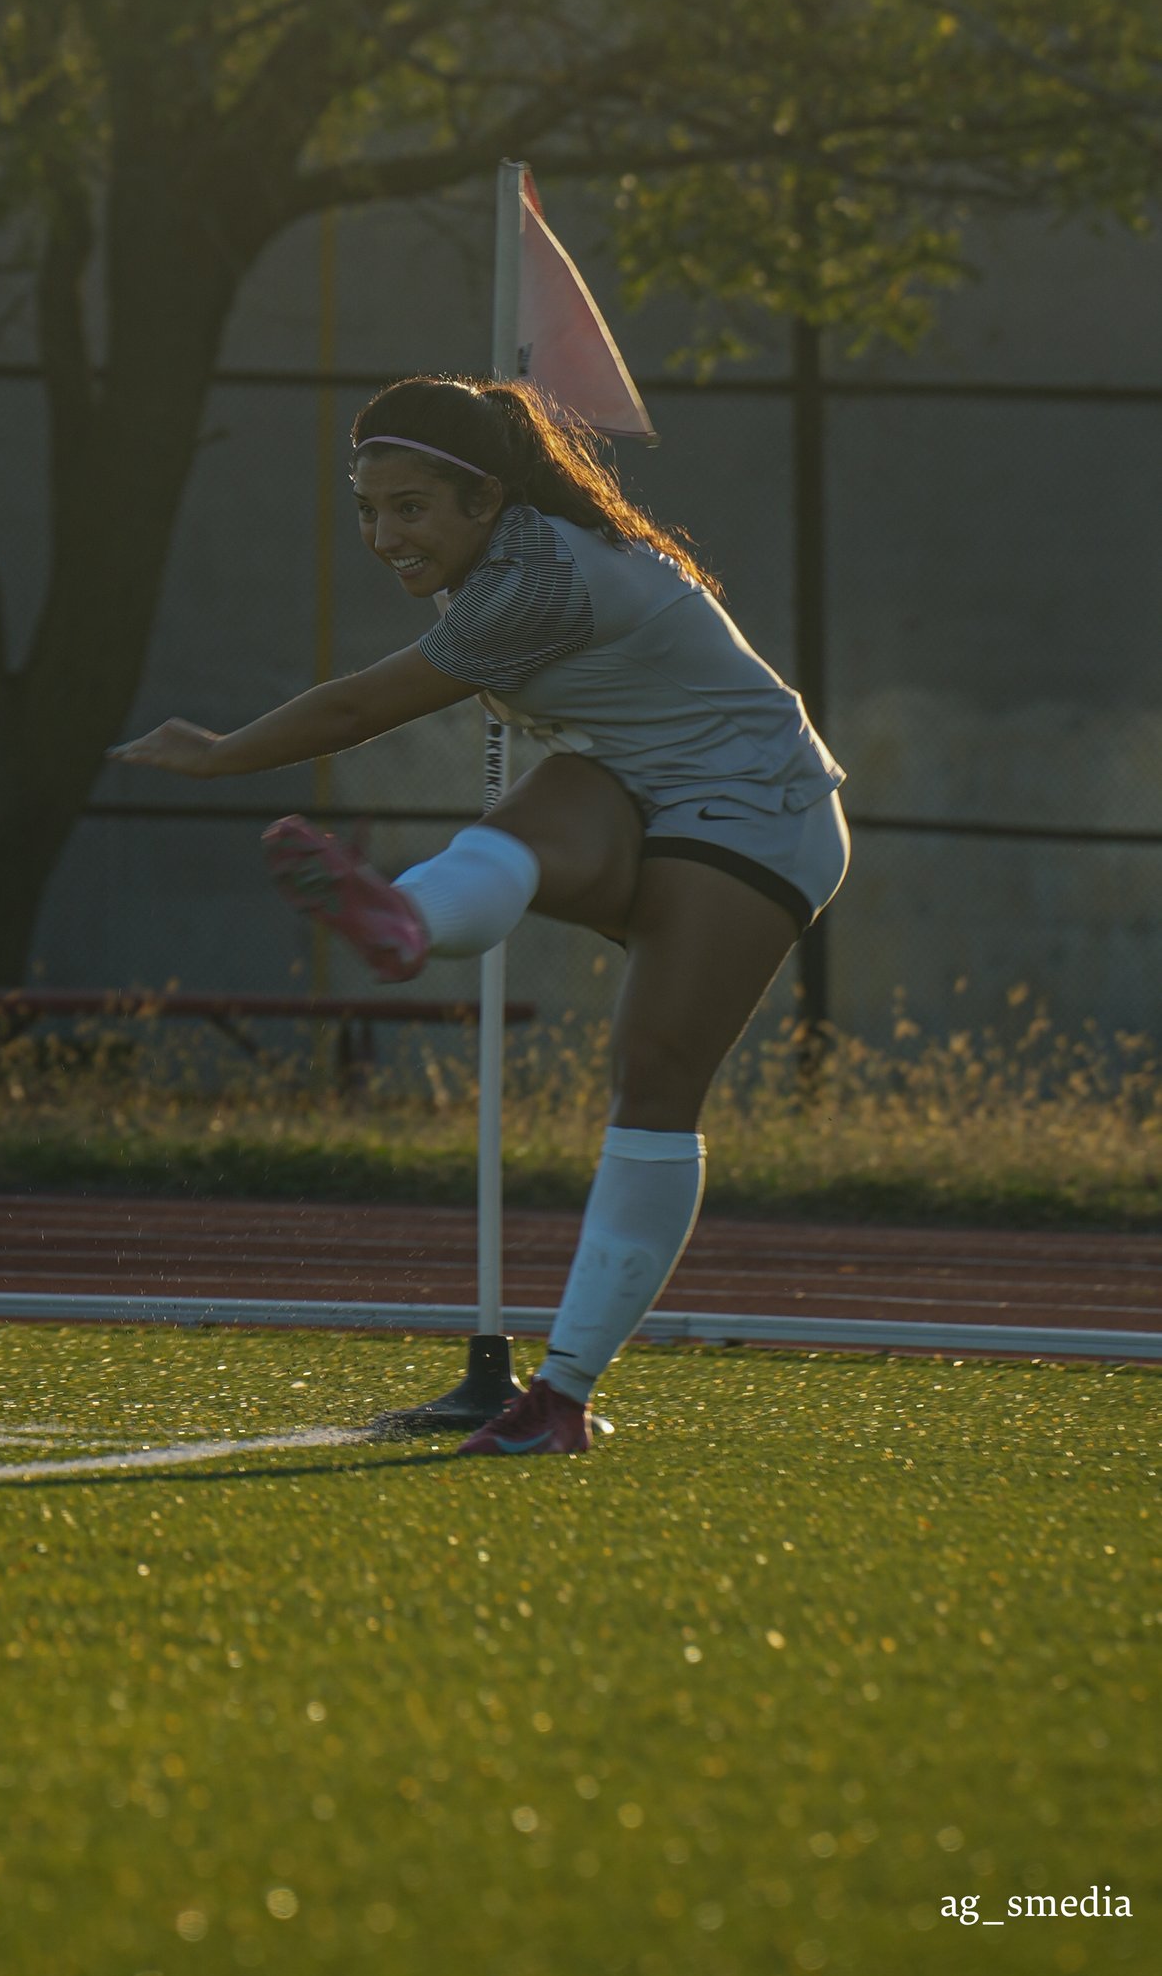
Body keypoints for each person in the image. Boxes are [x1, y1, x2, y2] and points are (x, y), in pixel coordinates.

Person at [109, 371, 847, 1455]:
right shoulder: (503, 559)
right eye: (367, 509)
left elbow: (364, 703)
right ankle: (406, 920)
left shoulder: (538, 578)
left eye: (410, 508)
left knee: (650, 1081)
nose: (384, 535)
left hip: (757, 811)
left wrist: (222, 753)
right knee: (536, 809)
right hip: (636, 785)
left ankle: (560, 1399)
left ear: (486, 500)